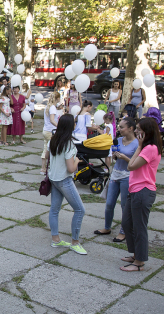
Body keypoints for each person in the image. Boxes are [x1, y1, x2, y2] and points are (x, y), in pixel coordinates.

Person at [121, 117, 161, 271]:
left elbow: (131, 166)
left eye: (138, 129)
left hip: (143, 191)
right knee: (127, 223)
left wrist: (139, 146)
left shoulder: (149, 148)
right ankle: (136, 253)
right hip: (135, 190)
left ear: (147, 132)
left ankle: (139, 262)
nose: (136, 131)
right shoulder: (147, 147)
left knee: (139, 227)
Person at [44, 114, 87, 255]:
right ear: (70, 126)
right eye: (74, 123)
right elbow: (71, 168)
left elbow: (47, 156)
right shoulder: (69, 144)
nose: (75, 124)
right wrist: (77, 161)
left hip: (54, 179)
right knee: (80, 210)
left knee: (54, 210)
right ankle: (75, 242)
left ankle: (55, 240)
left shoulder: (53, 140)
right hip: (64, 180)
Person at [94, 118, 138, 243]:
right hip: (115, 174)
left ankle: (123, 232)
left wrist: (125, 158)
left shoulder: (136, 144)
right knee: (109, 204)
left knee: (124, 205)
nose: (119, 129)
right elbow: (113, 156)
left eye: (122, 127)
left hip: (127, 176)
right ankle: (107, 227)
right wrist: (114, 156)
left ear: (130, 128)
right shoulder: (118, 140)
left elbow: (136, 163)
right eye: (119, 127)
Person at [41, 92, 62, 174]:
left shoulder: (48, 106)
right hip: (51, 131)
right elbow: (52, 120)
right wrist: (59, 126)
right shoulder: (52, 107)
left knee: (46, 148)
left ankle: (43, 168)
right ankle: (51, 167)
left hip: (45, 130)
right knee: (52, 150)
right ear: (57, 99)